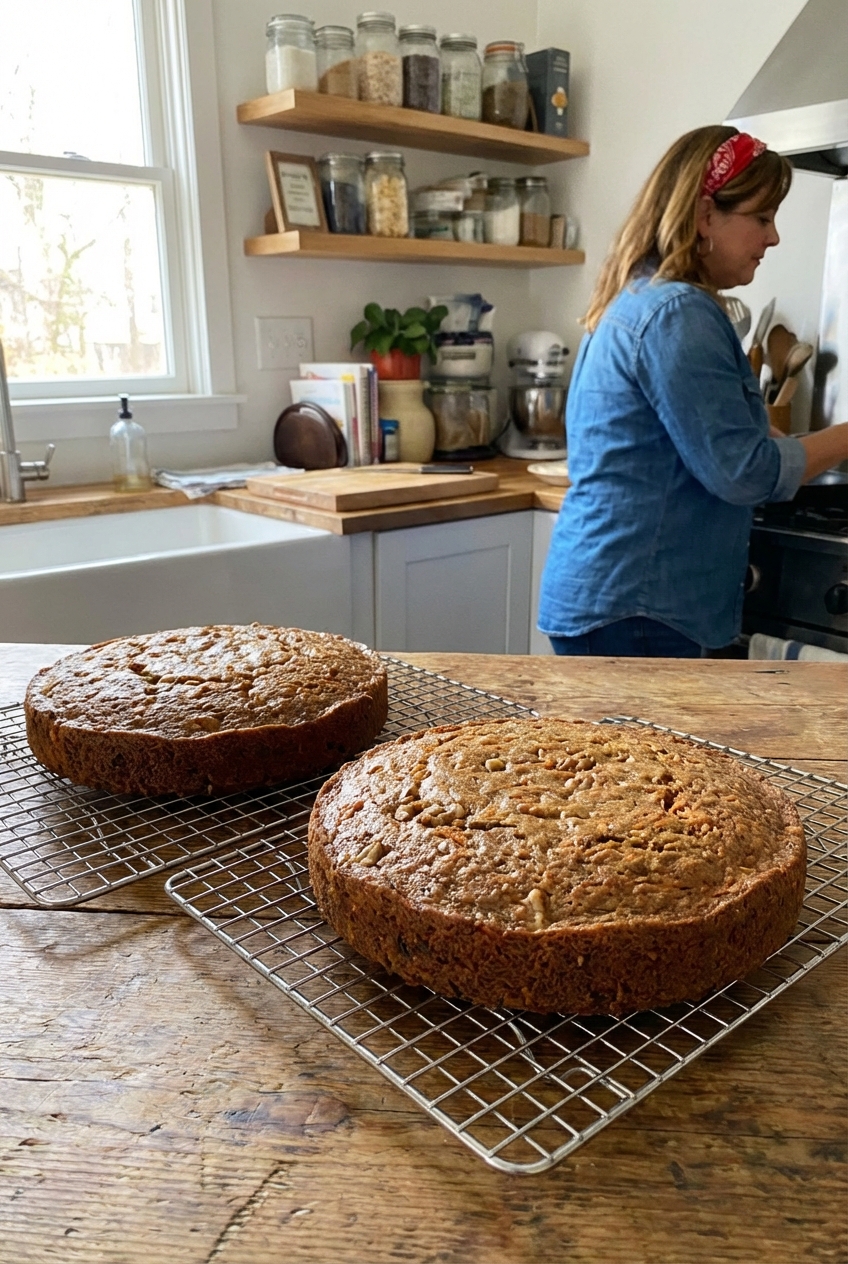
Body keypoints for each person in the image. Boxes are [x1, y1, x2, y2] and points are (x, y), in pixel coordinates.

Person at [537, 124, 848, 658]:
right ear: (706, 217)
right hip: (639, 608)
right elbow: (746, 473)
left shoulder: (641, 297)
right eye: (762, 218)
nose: (772, 238)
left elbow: (701, 438)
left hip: (617, 598)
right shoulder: (678, 313)